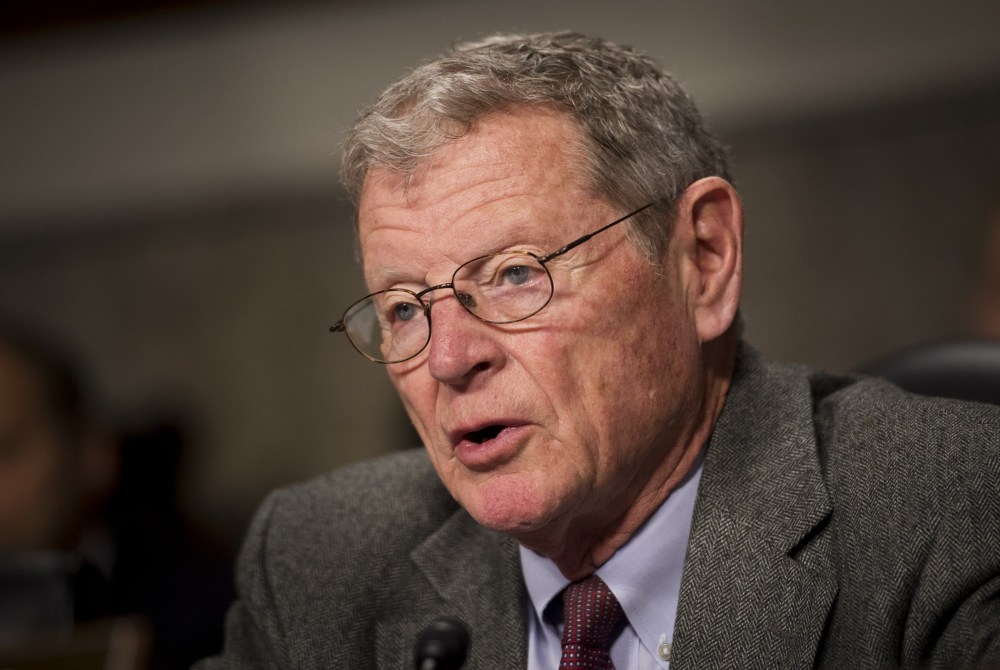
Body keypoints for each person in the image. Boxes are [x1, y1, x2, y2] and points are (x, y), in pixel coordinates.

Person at [197, 32, 1000, 669]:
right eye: (405, 309)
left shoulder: (955, 506)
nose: (447, 360)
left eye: (514, 273)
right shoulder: (319, 558)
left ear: (703, 257)